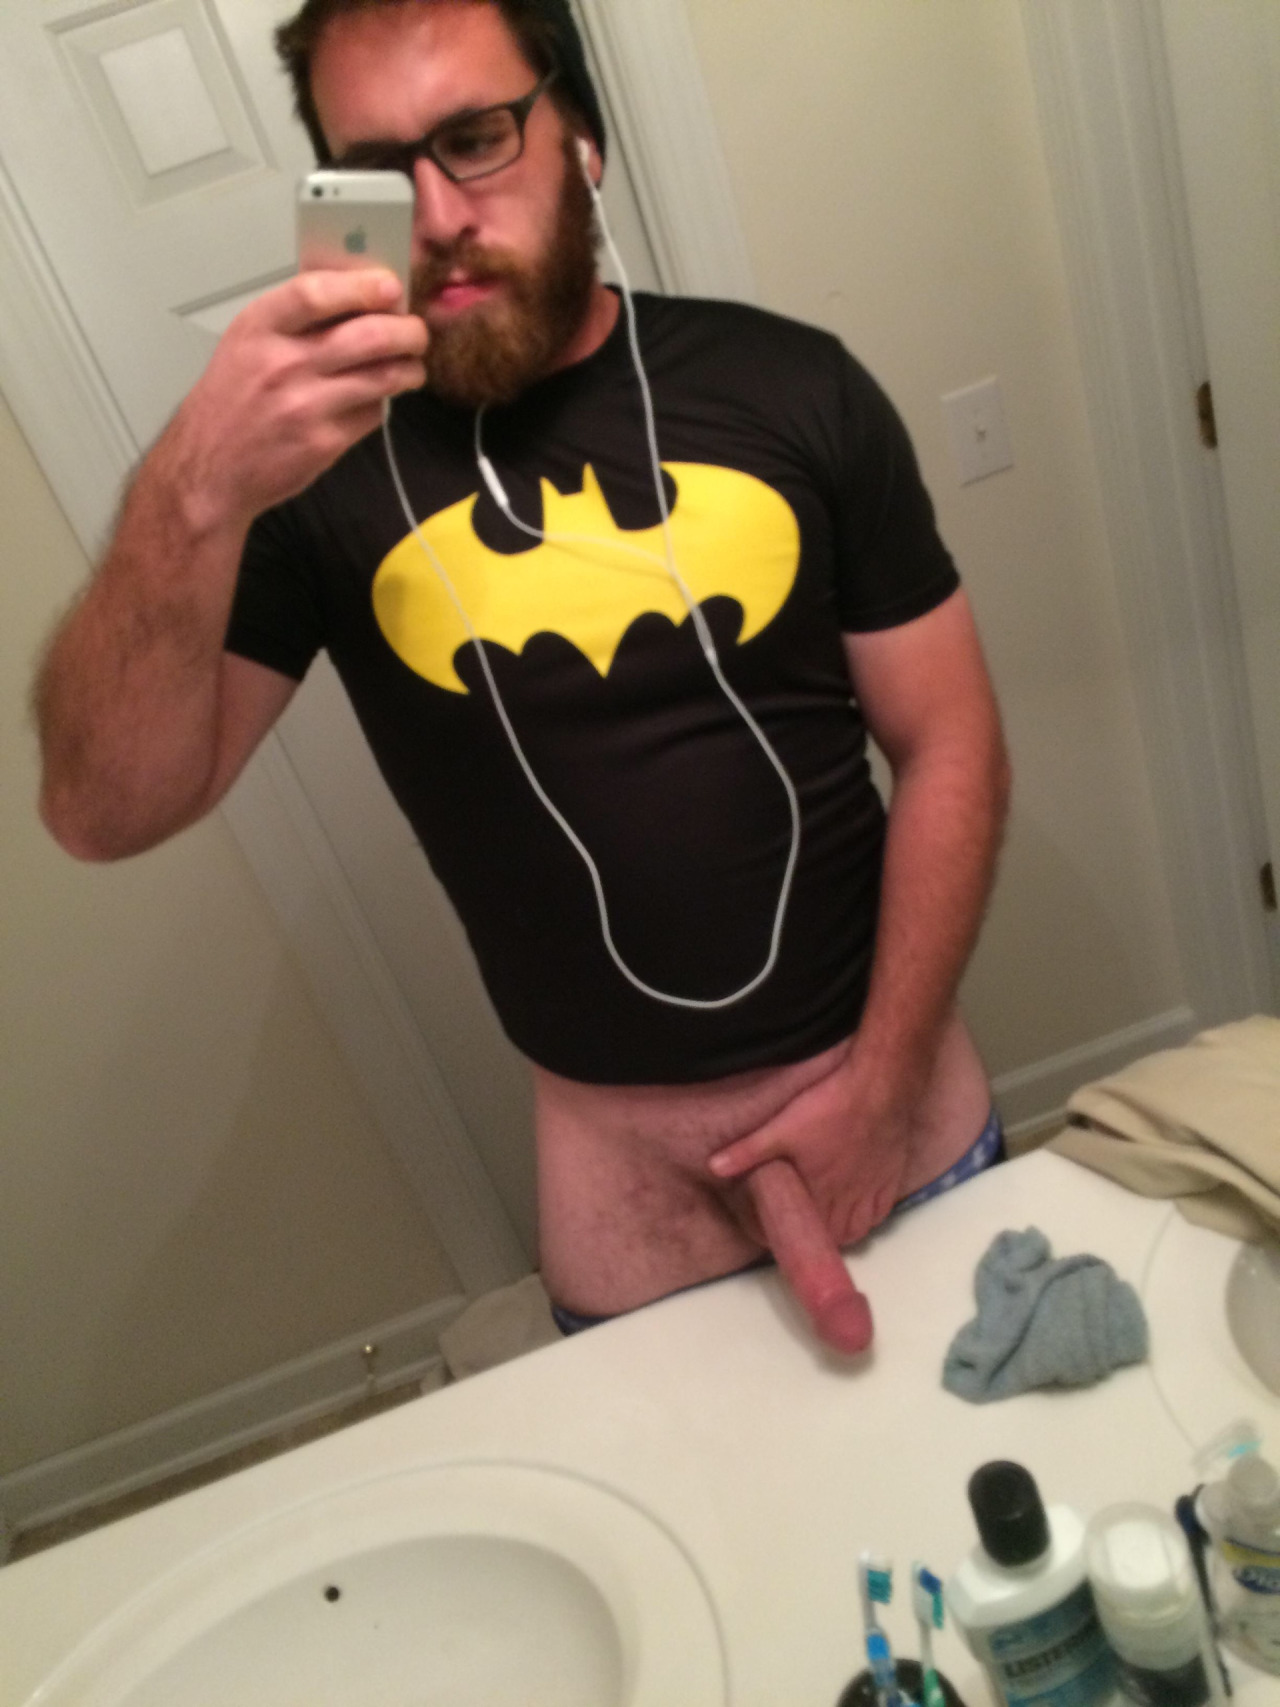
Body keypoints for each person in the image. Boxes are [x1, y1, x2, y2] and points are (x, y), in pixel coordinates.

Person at [34, 0, 1010, 1355]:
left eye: (477, 138)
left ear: (581, 138)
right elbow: (103, 811)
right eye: (376, 172)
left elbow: (952, 741)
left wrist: (887, 1086)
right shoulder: (307, 485)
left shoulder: (793, 386)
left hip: (896, 1107)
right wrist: (193, 483)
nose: (435, 213)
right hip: (626, 1189)